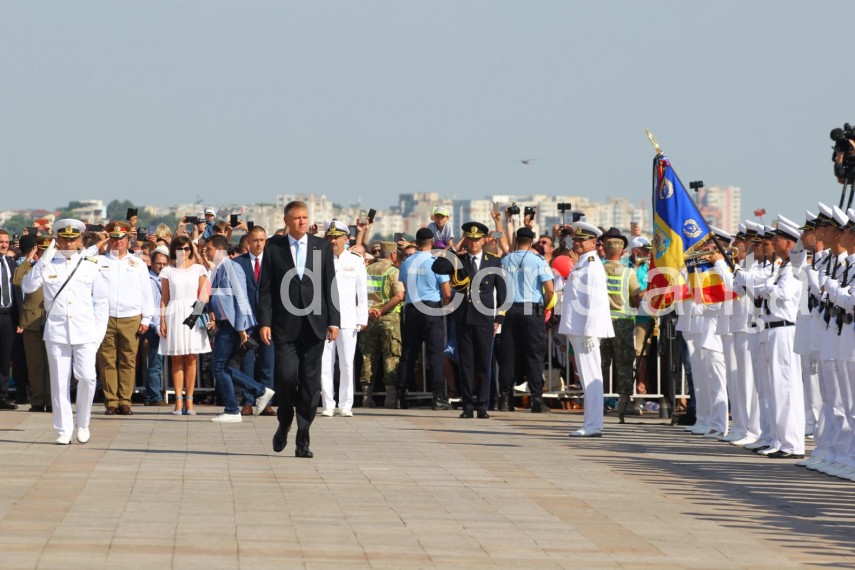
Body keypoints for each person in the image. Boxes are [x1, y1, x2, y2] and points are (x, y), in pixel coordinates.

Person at [259, 201, 340, 458]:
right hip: (284, 327)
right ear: (287, 221)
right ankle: (284, 422)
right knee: (286, 377)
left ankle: (303, 435)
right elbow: (266, 291)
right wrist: (265, 322)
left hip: (315, 326)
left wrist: (334, 320)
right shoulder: (274, 249)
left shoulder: (321, 246)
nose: (302, 222)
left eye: (305, 217)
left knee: (310, 384)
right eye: (297, 218)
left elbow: (330, 285)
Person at [21, 220, 109, 444]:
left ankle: (83, 423)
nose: (68, 243)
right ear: (56, 240)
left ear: (80, 240)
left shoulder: (91, 263)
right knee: (59, 382)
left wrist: (98, 334)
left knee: (87, 377)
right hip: (57, 331)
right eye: (63, 239)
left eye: (73, 239)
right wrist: (46, 258)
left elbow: (101, 302)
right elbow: (28, 286)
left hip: (85, 331)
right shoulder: (48, 263)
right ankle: (63, 430)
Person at [205, 235, 275, 423]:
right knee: (223, 366)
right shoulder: (217, 270)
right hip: (226, 325)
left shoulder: (232, 267)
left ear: (219, 250)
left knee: (218, 366)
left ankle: (232, 409)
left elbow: (241, 298)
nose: (206, 252)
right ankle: (260, 390)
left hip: (235, 326)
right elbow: (209, 295)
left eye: (209, 249)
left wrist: (242, 330)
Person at [558, 222, 614, 437]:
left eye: (582, 240)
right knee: (586, 376)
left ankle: (594, 424)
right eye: (576, 239)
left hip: (585, 330)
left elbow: (595, 301)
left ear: (594, 242)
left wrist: (591, 331)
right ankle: (591, 422)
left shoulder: (592, 265)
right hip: (579, 328)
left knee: (591, 376)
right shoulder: (582, 263)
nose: (577, 243)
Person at [446, 222, 506, 419]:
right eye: (470, 238)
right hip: (463, 318)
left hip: (484, 318)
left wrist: (499, 317)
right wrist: (456, 249)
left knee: (483, 363)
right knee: (466, 364)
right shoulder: (458, 260)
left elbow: (504, 292)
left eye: (477, 239)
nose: (473, 242)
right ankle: (467, 406)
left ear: (484, 240)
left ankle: (482, 405)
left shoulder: (493, 262)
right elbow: (438, 264)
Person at [96, 221, 154, 415]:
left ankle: (125, 400)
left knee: (128, 360)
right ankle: (111, 400)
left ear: (128, 240)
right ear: (109, 239)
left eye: (121, 238)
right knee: (107, 360)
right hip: (105, 316)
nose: (118, 242)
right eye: (114, 238)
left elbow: (147, 292)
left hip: (131, 316)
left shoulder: (137, 263)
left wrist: (146, 319)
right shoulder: (99, 261)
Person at [395, 228, 452, 410]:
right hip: (431, 308)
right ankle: (438, 397)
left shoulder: (406, 262)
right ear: (432, 241)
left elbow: (404, 285)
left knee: (408, 354)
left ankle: (400, 395)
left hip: (411, 309)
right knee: (435, 354)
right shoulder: (436, 262)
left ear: (416, 242)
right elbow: (446, 292)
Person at [498, 227, 555, 412]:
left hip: (509, 309)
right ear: (531, 241)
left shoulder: (505, 260)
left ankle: (505, 399)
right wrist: (543, 308)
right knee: (534, 355)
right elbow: (550, 289)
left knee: (509, 355)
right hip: (531, 308)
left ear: (517, 240)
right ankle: (536, 400)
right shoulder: (537, 260)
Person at [319, 221, 368, 417]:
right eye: (330, 237)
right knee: (325, 363)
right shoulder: (321, 259)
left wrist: (362, 317)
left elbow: (362, 292)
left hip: (348, 317)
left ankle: (346, 404)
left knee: (347, 363)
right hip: (325, 319)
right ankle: (328, 404)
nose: (333, 240)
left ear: (346, 239)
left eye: (337, 237)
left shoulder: (355, 260)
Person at [159, 235, 211, 415]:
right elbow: (164, 298)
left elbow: (204, 296)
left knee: (191, 357)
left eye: (187, 248)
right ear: (174, 250)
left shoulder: (199, 269)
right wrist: (162, 320)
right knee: (176, 358)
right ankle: (178, 400)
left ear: (191, 249)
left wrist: (194, 316)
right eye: (180, 248)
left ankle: (190, 400)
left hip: (193, 312)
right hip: (174, 312)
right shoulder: (167, 271)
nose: (183, 252)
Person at [598, 228, 640, 420]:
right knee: (623, 365)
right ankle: (623, 407)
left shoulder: (597, 269)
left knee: (600, 364)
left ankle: (596, 402)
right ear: (622, 252)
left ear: (605, 250)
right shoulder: (628, 272)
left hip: (601, 323)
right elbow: (635, 296)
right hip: (623, 323)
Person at [233, 226, 276, 416]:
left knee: (268, 362)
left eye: (262, 240)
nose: (259, 244)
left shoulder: (272, 262)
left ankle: (266, 402)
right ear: (248, 243)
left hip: (268, 320)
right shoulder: (238, 263)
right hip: (246, 320)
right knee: (247, 362)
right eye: (255, 240)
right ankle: (248, 401)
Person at [359, 242, 404, 408]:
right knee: (391, 356)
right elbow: (399, 296)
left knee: (368, 357)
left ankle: (366, 397)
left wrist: (370, 310)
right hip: (388, 319)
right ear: (392, 255)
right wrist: (381, 310)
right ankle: (390, 399)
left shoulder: (366, 270)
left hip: (368, 319)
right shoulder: (394, 272)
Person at [12, 235, 51, 412]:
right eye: (40, 251)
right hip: (32, 322)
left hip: (52, 320)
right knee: (35, 365)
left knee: (52, 365)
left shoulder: (59, 267)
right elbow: (17, 280)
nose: (42, 255)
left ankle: (51, 401)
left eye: (45, 251)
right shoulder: (31, 268)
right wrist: (29, 258)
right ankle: (37, 400)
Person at [143, 246, 169, 406]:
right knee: (155, 362)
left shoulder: (167, 279)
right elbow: (152, 306)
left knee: (160, 362)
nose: (161, 266)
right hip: (155, 326)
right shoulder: (148, 279)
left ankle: (152, 394)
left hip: (167, 324)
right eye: (158, 263)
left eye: (164, 264)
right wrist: (158, 326)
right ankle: (154, 395)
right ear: (152, 263)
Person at [0, 229, 20, 410]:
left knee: (5, 358)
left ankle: (3, 396)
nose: (4, 245)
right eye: (1, 241)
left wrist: (20, 320)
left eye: (6, 242)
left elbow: (18, 293)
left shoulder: (12, 264)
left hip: (7, 316)